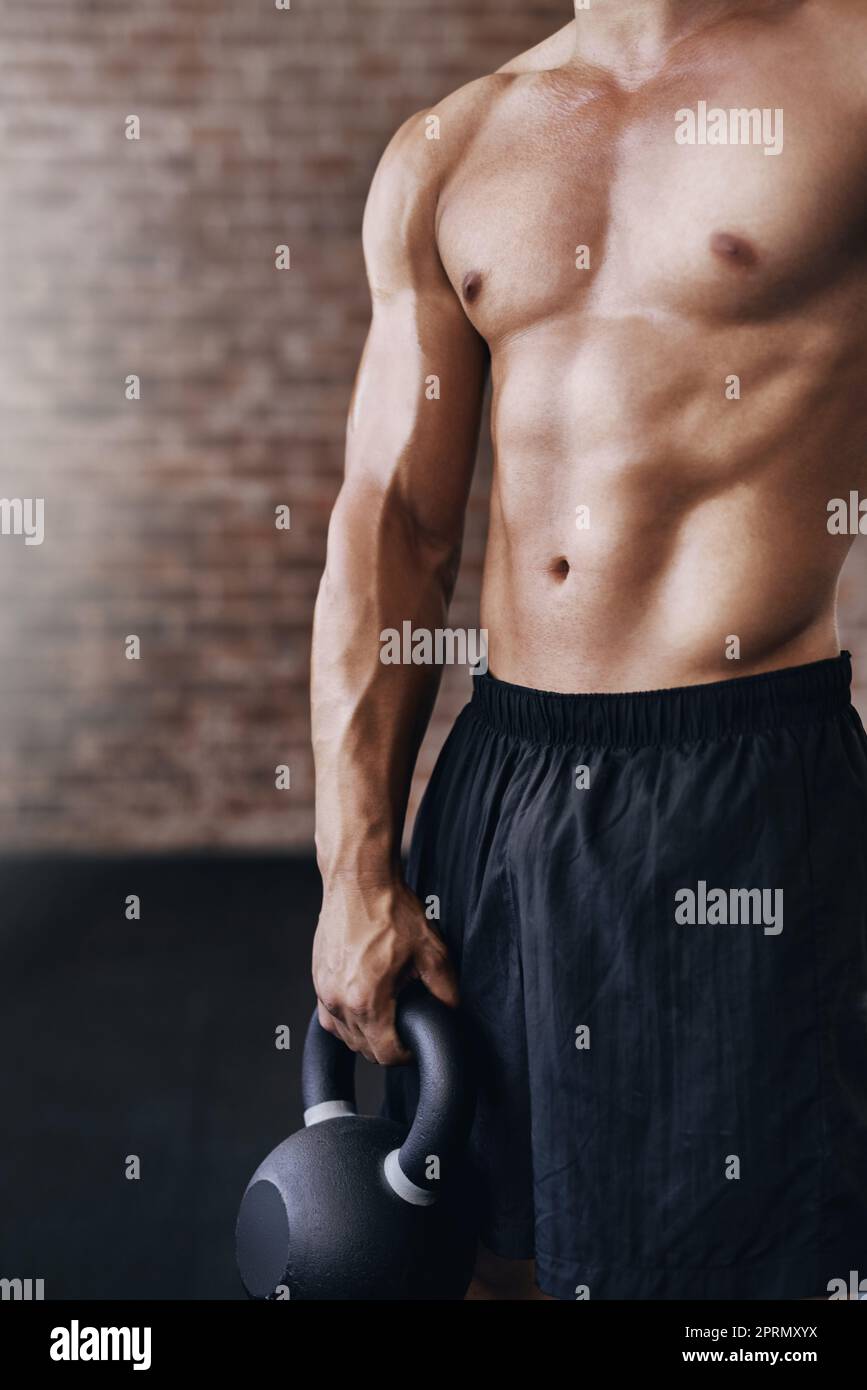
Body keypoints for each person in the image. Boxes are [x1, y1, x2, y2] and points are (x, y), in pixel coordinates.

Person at [310, 0, 867, 1299]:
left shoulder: (846, 68)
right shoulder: (451, 147)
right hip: (501, 787)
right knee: (491, 1255)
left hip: (745, 785)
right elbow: (391, 520)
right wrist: (354, 866)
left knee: (747, 1273)